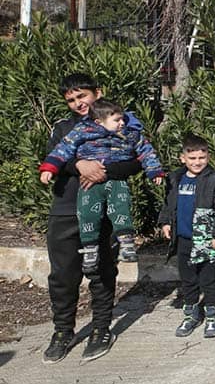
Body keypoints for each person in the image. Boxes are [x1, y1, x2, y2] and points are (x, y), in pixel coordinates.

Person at [41, 74, 143, 364]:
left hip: (102, 211)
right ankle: (62, 332)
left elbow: (137, 161)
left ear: (97, 93)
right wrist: (79, 165)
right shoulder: (63, 127)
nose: (78, 103)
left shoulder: (121, 122)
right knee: (62, 275)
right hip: (64, 209)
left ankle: (101, 329)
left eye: (81, 96)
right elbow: (55, 158)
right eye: (71, 100)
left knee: (100, 271)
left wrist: (104, 172)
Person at [39, 99, 165, 274]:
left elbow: (146, 151)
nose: (122, 123)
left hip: (115, 180)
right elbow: (63, 148)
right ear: (99, 122)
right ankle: (90, 250)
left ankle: (126, 242)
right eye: (117, 120)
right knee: (88, 213)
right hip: (89, 183)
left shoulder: (130, 133)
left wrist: (155, 171)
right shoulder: (83, 131)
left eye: (122, 119)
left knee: (121, 207)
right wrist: (50, 168)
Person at [159, 134, 215, 339]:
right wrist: (165, 222)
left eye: (201, 157)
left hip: (206, 239)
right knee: (188, 279)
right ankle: (191, 314)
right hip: (183, 238)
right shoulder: (175, 178)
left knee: (208, 279)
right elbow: (168, 203)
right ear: (183, 158)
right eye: (192, 158)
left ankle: (212, 315)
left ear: (208, 157)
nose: (197, 162)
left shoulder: (214, 180)